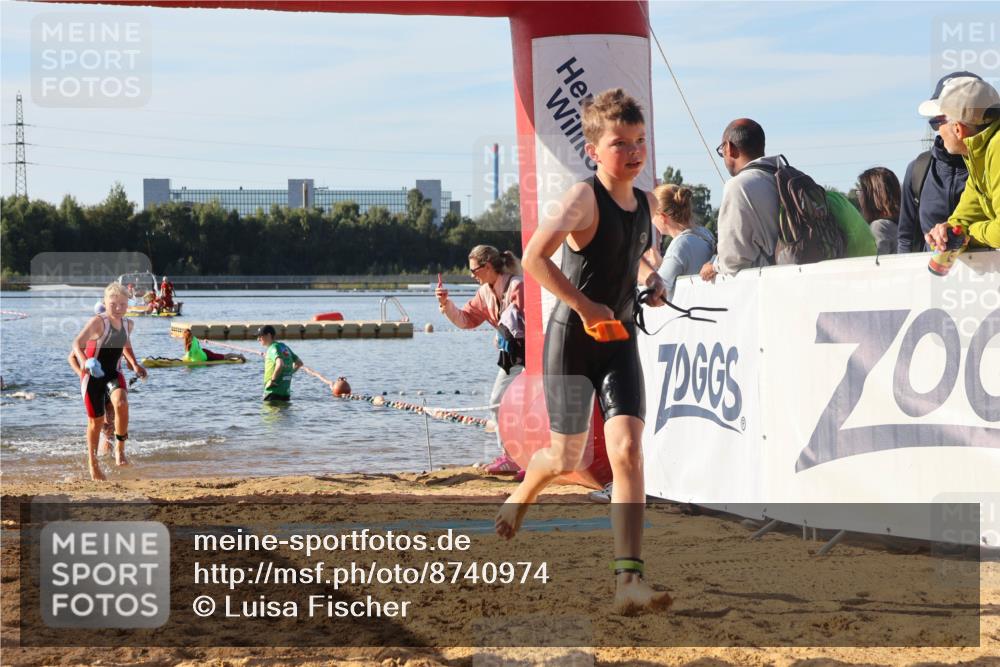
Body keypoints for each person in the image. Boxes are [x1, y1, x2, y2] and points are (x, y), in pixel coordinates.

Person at [496, 88, 672, 615]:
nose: (635, 152)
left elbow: (632, 257)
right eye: (622, 143)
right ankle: (527, 488)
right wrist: (587, 307)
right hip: (572, 342)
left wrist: (652, 278)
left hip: (619, 342)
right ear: (595, 150)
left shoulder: (645, 203)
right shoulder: (581, 197)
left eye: (640, 141)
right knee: (567, 457)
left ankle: (628, 581)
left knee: (627, 452)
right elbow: (533, 259)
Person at [436, 245, 526, 476]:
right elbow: (466, 320)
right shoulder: (485, 293)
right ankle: (513, 457)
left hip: (534, 355)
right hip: (512, 357)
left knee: (515, 404)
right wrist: (446, 304)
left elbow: (536, 320)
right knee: (499, 403)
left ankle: (524, 460)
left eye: (474, 270)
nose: (472, 275)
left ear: (487, 267)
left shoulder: (518, 286)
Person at [897, 72, 981, 254]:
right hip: (934, 277)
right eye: (933, 123)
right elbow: (906, 237)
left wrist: (963, 235)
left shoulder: (988, 167)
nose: (937, 130)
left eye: (937, 121)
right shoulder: (918, 170)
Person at [71, 282, 147, 480]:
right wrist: (85, 363)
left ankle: (120, 450)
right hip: (93, 377)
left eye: (123, 304)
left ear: (128, 304)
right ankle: (93, 464)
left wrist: (135, 364)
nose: (119, 308)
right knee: (95, 423)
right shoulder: (98, 322)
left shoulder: (128, 324)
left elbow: (125, 344)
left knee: (121, 403)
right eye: (114, 304)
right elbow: (76, 344)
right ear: (105, 302)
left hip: (113, 373)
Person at [921, 76, 1000, 250]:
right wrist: (946, 231)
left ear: (958, 129)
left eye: (936, 123)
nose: (937, 133)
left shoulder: (997, 147)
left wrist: (968, 234)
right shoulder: (979, 153)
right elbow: (964, 217)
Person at [700, 119, 780, 281]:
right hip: (804, 280)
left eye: (722, 150)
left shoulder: (739, 186)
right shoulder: (782, 175)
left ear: (728, 148)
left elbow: (733, 257)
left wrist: (714, 267)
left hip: (771, 287)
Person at [651, 184, 716, 300]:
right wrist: (661, 263)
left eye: (651, 214)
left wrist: (649, 269)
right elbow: (687, 266)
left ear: (662, 217)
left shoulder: (679, 246)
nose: (651, 220)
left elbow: (657, 292)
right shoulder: (705, 234)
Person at [856, 167, 902, 255]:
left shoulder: (879, 227)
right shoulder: (904, 224)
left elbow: (875, 265)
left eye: (860, 191)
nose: (859, 196)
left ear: (872, 196)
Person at [256, 325, 302, 401]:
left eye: (260, 336)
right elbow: (299, 363)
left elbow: (280, 364)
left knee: (268, 412)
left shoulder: (272, 348)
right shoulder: (284, 347)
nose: (258, 339)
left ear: (269, 335)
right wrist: (289, 373)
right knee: (284, 412)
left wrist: (272, 380)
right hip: (285, 393)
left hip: (272, 392)